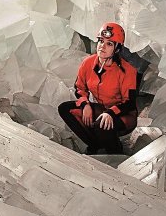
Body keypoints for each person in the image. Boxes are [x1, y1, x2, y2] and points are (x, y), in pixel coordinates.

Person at [58, 22, 139, 154]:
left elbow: (129, 103)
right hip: (103, 109)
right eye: (101, 41)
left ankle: (115, 152)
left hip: (124, 114)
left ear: (117, 48)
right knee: (65, 108)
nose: (102, 46)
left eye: (109, 44)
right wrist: (85, 105)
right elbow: (79, 88)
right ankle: (95, 144)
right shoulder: (88, 63)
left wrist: (110, 113)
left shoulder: (127, 71)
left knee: (101, 125)